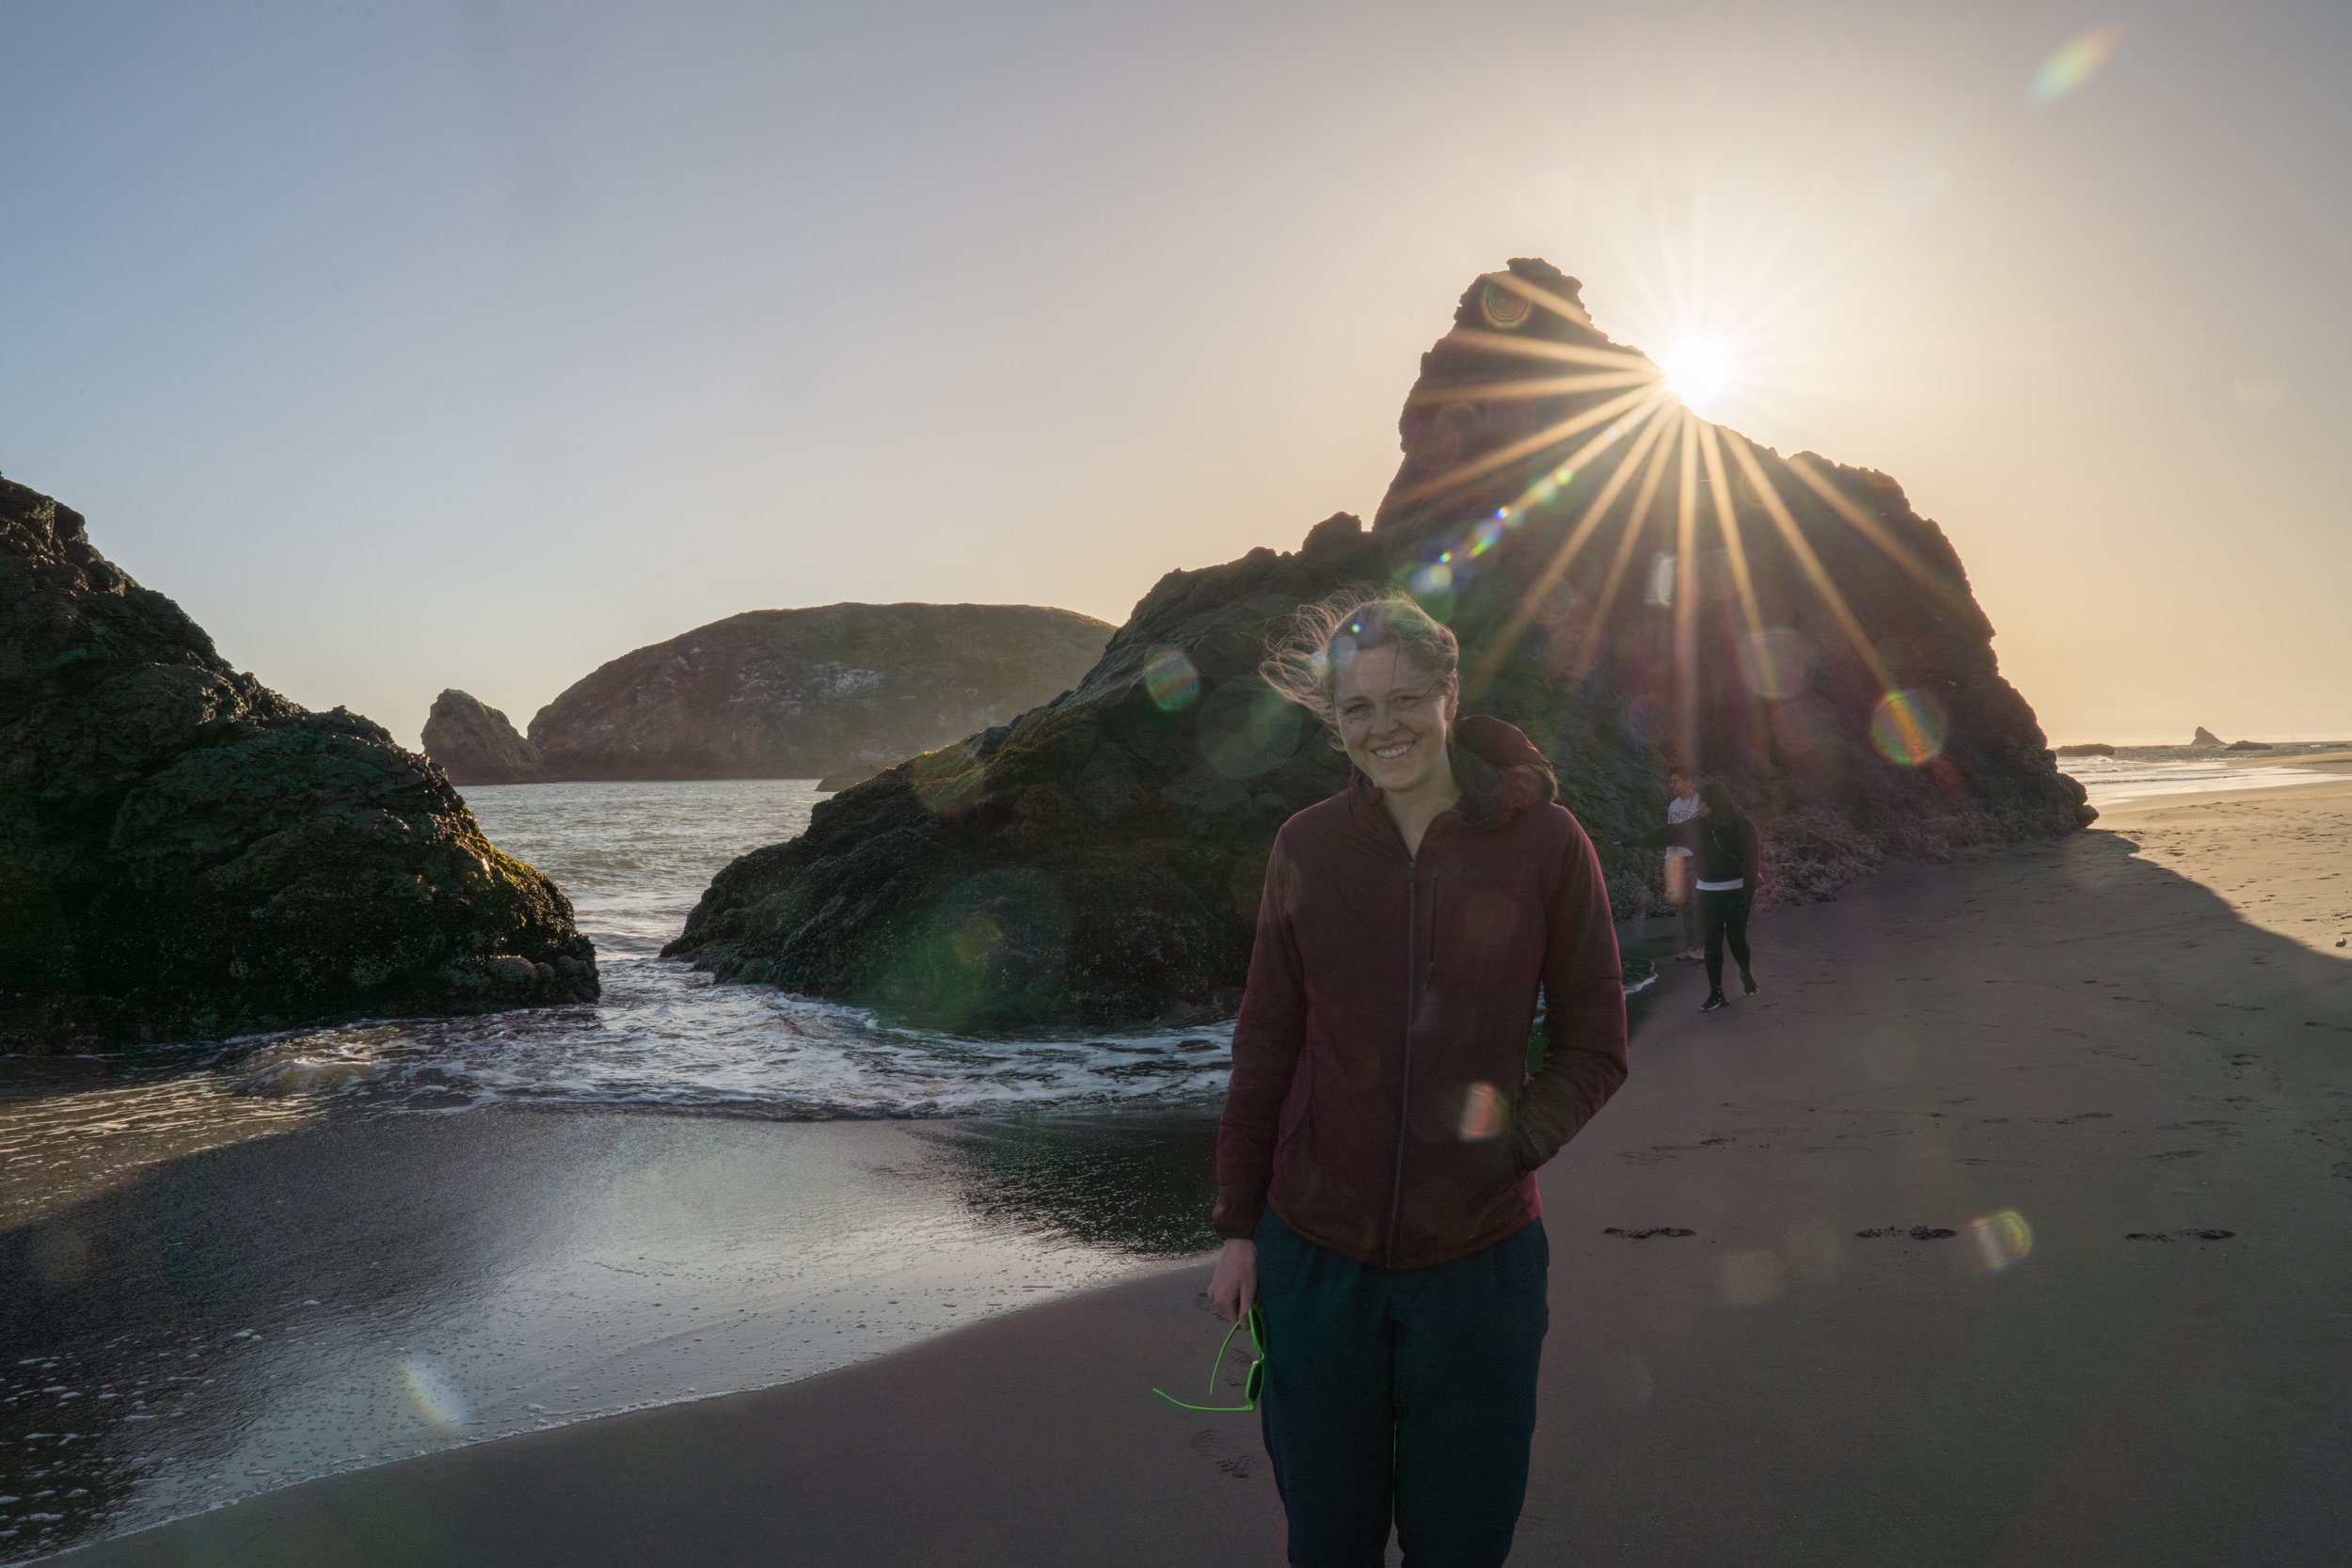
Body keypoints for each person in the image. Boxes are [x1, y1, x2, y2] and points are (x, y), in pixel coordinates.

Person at [1207, 590, 1629, 1568]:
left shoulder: (1546, 844)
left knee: (1461, 1540)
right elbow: (1265, 1039)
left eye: (1401, 699)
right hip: (1315, 1257)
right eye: (1356, 708)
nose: (1382, 725)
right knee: (1327, 1540)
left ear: (1447, 693)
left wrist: (1510, 1145)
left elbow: (1593, 1039)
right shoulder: (1305, 846)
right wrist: (1238, 1224)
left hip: (1478, 1260)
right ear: (1335, 724)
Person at [1690, 778, 1760, 1013]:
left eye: (1701, 803)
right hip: (1707, 892)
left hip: (1736, 892)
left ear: (1713, 803)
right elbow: (1668, 833)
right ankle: (1716, 993)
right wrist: (1632, 842)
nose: (1697, 807)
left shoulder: (1742, 826)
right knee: (1712, 941)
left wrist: (1746, 897)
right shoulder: (1699, 825)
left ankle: (1746, 972)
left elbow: (1752, 866)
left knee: (1736, 940)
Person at [1663, 766, 1702, 961]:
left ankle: (1701, 947)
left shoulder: (1699, 802)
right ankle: (1689, 946)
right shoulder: (1673, 806)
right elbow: (1670, 834)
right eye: (1671, 782)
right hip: (1678, 860)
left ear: (1688, 781)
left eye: (1676, 781)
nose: (1673, 785)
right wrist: (1669, 859)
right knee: (1685, 904)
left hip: (1697, 858)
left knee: (1697, 902)